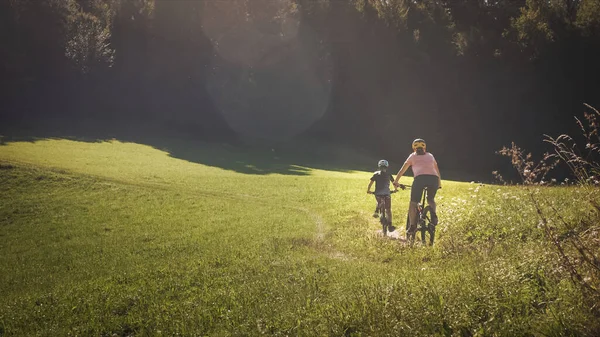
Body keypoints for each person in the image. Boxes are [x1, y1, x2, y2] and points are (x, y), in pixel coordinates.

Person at [393, 139, 441, 241]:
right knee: (431, 199)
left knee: (413, 203)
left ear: (414, 148)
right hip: (434, 179)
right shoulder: (430, 155)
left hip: (420, 179)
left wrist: (396, 181)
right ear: (424, 148)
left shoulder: (412, 156)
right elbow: (436, 169)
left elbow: (403, 169)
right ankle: (433, 217)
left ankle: (412, 226)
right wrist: (439, 183)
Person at [367, 159, 398, 231]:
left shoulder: (375, 174)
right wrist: (395, 190)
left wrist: (368, 190)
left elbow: (370, 183)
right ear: (387, 167)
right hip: (387, 193)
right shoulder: (389, 175)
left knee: (378, 201)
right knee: (388, 210)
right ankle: (390, 225)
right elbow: (394, 183)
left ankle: (377, 210)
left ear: (379, 167)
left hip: (377, 193)